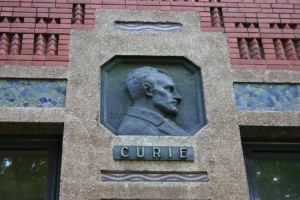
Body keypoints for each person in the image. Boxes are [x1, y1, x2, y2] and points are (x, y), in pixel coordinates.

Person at [117, 66, 189, 136]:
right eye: (169, 89)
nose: (178, 97)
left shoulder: (162, 123)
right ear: (148, 90)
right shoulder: (137, 129)